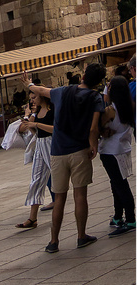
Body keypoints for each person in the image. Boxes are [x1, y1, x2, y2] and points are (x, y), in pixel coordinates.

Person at [28, 66, 106, 253]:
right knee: (80, 195)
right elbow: (94, 128)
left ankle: (54, 241)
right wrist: (93, 144)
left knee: (59, 197)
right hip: (79, 149)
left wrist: (28, 83)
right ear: (98, 81)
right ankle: (81, 236)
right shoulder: (95, 97)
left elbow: (40, 90)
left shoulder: (63, 91)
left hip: (58, 152)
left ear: (84, 76)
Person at [16, 85, 56, 229]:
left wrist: (36, 124)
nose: (32, 101)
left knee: (58, 178)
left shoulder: (53, 110)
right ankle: (32, 218)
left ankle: (59, 208)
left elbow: (56, 129)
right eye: (31, 99)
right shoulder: (37, 111)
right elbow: (33, 131)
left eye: (34, 98)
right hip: (40, 144)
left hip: (52, 144)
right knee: (36, 179)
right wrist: (31, 122)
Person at [100, 73, 134, 235]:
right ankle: (118, 216)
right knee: (118, 183)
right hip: (123, 149)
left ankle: (130, 218)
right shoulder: (129, 105)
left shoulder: (110, 110)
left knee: (119, 185)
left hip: (110, 151)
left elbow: (97, 126)